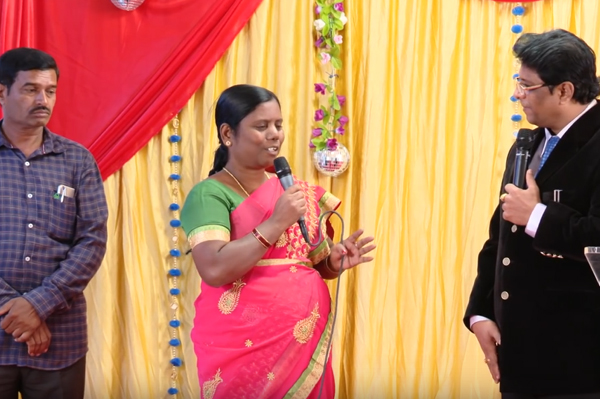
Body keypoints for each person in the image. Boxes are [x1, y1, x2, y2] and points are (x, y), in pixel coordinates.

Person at [181, 84, 376, 399]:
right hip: (240, 349)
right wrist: (275, 222)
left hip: (302, 346)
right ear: (228, 134)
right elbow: (214, 269)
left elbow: (312, 263)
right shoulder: (209, 194)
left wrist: (333, 262)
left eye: (278, 125)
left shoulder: (294, 191)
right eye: (261, 126)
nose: (274, 134)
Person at [464, 29, 600, 398]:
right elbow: (500, 237)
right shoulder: (527, 144)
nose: (517, 94)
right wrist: (480, 312)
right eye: (517, 82)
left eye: (528, 86)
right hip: (521, 356)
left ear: (565, 91)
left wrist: (538, 215)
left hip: (580, 364)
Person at [0, 48, 108, 399]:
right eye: (30, 89)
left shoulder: (78, 161)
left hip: (59, 339)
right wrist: (15, 311)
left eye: (50, 90)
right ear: (2, 92)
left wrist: (38, 305)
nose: (43, 99)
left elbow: (92, 241)